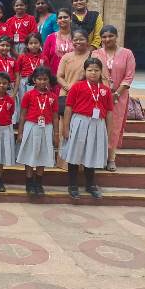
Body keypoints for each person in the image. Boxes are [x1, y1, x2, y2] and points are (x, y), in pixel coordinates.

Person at [62, 58, 113, 199]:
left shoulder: (105, 90)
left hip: (97, 124)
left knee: (92, 153)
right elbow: (68, 108)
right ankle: (72, 185)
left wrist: (108, 131)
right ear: (84, 71)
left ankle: (90, 185)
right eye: (90, 70)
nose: (93, 73)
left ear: (101, 72)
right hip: (79, 121)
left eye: (96, 70)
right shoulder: (77, 87)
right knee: (74, 154)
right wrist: (65, 128)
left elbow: (109, 112)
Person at [93, 25, 136, 172]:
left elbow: (129, 76)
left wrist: (116, 93)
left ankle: (111, 158)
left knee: (114, 126)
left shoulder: (127, 53)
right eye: (104, 37)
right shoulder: (96, 54)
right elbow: (92, 73)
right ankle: (98, 157)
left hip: (119, 97)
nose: (107, 39)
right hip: (98, 96)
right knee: (98, 124)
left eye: (110, 36)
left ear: (116, 36)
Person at [16, 66, 59, 196]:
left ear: (49, 80)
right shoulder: (28, 95)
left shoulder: (53, 97)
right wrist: (20, 132)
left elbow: (55, 117)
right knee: (29, 155)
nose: (42, 81)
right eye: (39, 79)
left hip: (46, 127)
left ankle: (38, 183)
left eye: (45, 79)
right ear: (34, 80)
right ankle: (29, 182)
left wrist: (56, 134)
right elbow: (22, 115)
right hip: (31, 126)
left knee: (43, 155)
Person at [56, 29, 92, 116]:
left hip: (84, 95)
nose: (78, 42)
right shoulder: (66, 57)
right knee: (65, 120)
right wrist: (68, 88)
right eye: (75, 40)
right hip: (66, 95)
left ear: (87, 41)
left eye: (81, 39)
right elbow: (59, 76)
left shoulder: (93, 56)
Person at [14, 32, 46, 124]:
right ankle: (23, 122)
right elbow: (17, 72)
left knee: (37, 102)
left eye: (36, 43)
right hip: (24, 82)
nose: (33, 45)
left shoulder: (43, 57)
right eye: (31, 43)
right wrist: (17, 85)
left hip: (39, 82)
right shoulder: (22, 57)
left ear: (40, 44)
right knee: (24, 102)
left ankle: (35, 119)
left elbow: (46, 72)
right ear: (27, 45)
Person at [42, 8, 73, 76]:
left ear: (71, 19)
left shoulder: (77, 37)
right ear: (57, 21)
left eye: (65, 17)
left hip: (74, 76)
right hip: (54, 76)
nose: (62, 19)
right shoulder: (50, 38)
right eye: (60, 18)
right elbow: (45, 58)